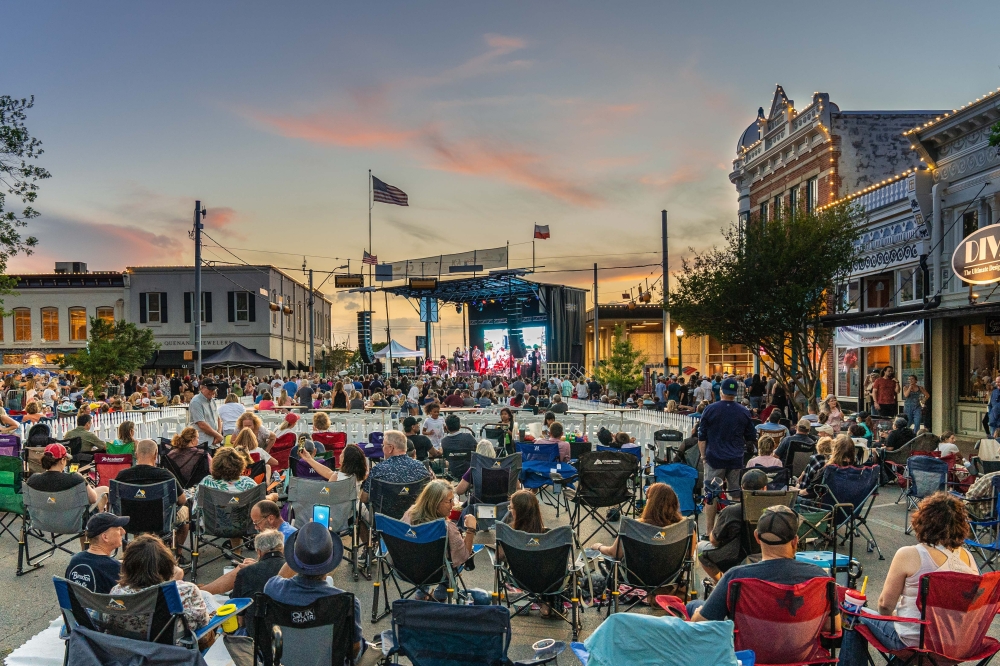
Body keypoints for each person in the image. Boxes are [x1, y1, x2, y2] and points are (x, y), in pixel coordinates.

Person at [839, 493, 979, 665]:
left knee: (854, 613)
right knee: (902, 625)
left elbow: (884, 606)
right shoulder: (968, 558)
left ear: (922, 522)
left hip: (916, 644)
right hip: (954, 647)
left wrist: (900, 618)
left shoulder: (910, 554)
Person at [689, 505, 834, 625]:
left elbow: (702, 622)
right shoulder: (819, 576)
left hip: (747, 654)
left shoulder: (736, 577)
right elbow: (833, 626)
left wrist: (696, 613)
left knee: (692, 606)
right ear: (795, 541)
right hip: (803, 654)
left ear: (757, 537)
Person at [264, 522, 371, 665]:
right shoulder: (347, 602)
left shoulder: (272, 589)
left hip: (285, 661)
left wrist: (300, 555)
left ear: (293, 559)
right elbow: (354, 648)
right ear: (331, 562)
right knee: (362, 643)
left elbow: (280, 578)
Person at [111, 534, 216, 650]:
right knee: (210, 611)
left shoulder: (117, 591)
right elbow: (204, 622)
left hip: (132, 651)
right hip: (174, 653)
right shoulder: (186, 590)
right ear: (166, 564)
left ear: (128, 565)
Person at [115, 439, 191, 559]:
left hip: (131, 521)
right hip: (161, 521)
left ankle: (138, 553)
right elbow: (182, 500)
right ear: (156, 455)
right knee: (186, 512)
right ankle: (177, 554)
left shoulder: (122, 476)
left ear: (136, 454)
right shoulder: (165, 475)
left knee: (138, 512)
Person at [698, 377, 756, 532]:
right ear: (735, 393)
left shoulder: (710, 409)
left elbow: (701, 437)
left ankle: (710, 531)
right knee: (736, 495)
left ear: (721, 391)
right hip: (735, 458)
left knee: (711, 496)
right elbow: (751, 436)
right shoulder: (744, 411)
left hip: (714, 458)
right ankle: (736, 530)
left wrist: (704, 457)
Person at [402, 480, 477, 599]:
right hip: (437, 573)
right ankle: (442, 591)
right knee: (453, 558)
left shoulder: (409, 515)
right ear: (435, 504)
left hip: (407, 569)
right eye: (449, 501)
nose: (453, 505)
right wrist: (471, 529)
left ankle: (422, 592)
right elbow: (463, 556)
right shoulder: (447, 528)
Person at [696, 469, 769, 580]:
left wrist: (711, 533)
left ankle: (721, 583)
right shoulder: (775, 509)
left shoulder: (731, 511)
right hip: (767, 555)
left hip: (735, 556)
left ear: (742, 488)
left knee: (700, 549)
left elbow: (714, 541)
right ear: (764, 488)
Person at [592, 483, 688, 560]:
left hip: (635, 579)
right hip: (672, 580)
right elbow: (688, 556)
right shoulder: (685, 526)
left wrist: (599, 547)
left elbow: (615, 553)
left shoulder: (632, 525)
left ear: (650, 503)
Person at [27, 442, 108, 510]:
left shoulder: (33, 479)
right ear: (62, 461)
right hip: (72, 522)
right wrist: (85, 483)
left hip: (43, 521)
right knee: (105, 489)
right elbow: (93, 499)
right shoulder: (75, 478)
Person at [359, 430, 430, 504]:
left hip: (384, 514)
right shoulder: (421, 467)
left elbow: (364, 498)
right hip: (414, 513)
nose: (382, 448)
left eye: (383, 445)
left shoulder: (378, 470)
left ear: (390, 448)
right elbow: (428, 495)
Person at [65, 513, 129, 593]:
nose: (123, 531)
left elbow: (98, 562)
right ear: (105, 537)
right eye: (118, 528)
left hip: (80, 605)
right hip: (106, 605)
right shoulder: (115, 568)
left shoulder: (75, 560)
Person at [190, 380, 223, 448]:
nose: (212, 391)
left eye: (214, 389)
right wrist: (217, 435)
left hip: (215, 443)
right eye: (210, 389)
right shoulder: (196, 402)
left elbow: (218, 418)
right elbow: (201, 424)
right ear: (202, 388)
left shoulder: (212, 401)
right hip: (203, 443)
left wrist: (218, 434)